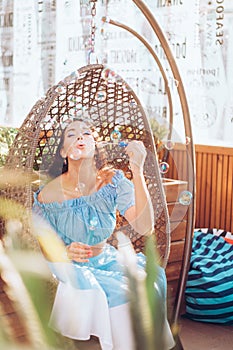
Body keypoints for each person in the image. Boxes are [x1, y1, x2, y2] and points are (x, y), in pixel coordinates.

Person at [32, 118, 175, 350]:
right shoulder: (48, 195)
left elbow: (144, 226)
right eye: (72, 134)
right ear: (62, 151)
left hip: (107, 259)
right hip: (70, 266)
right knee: (124, 294)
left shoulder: (112, 182)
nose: (80, 137)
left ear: (95, 144)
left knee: (151, 279)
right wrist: (64, 251)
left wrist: (137, 171)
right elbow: (37, 242)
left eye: (87, 133)